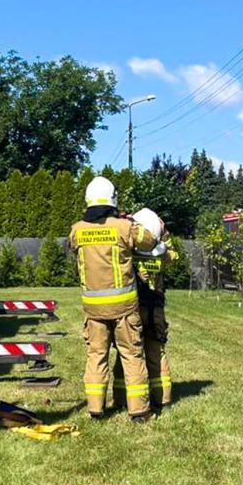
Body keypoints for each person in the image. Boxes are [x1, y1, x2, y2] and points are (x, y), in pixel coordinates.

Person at [68, 176, 157, 421]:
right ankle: (139, 412)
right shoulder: (124, 227)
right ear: (112, 199)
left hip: (93, 310)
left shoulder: (77, 230)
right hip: (124, 308)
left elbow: (72, 245)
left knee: (96, 356)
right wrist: (128, 220)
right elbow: (150, 241)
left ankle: (96, 410)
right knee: (131, 355)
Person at [113, 207, 175, 410]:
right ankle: (162, 398)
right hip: (156, 306)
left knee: (128, 354)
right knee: (157, 351)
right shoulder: (161, 254)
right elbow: (171, 255)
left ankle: (122, 399)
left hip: (134, 308)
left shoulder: (131, 251)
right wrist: (164, 235)